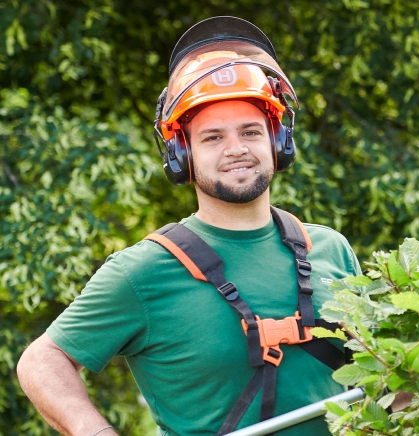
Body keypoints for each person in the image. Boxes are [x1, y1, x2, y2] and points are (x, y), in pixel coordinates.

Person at [17, 16, 361, 436]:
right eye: (212, 137)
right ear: (182, 155)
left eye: (250, 131)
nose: (237, 149)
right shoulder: (142, 272)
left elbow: (378, 366)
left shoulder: (330, 248)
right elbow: (42, 361)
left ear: (279, 141)